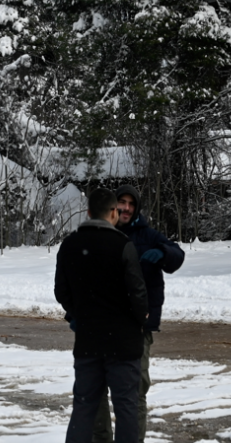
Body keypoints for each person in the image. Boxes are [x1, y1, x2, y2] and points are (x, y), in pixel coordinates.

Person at [92, 184, 186, 443]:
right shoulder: (98, 234)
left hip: (136, 329)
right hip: (100, 328)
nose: (126, 208)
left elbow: (177, 256)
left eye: (131, 204)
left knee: (133, 394)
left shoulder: (149, 236)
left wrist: (164, 253)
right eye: (121, 202)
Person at [55, 187, 149, 443]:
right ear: (113, 213)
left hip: (88, 341)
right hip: (124, 343)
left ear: (88, 213)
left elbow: (61, 292)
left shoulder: (69, 245)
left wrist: (83, 314)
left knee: (84, 407)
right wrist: (140, 320)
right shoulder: (123, 245)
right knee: (126, 407)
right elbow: (138, 294)